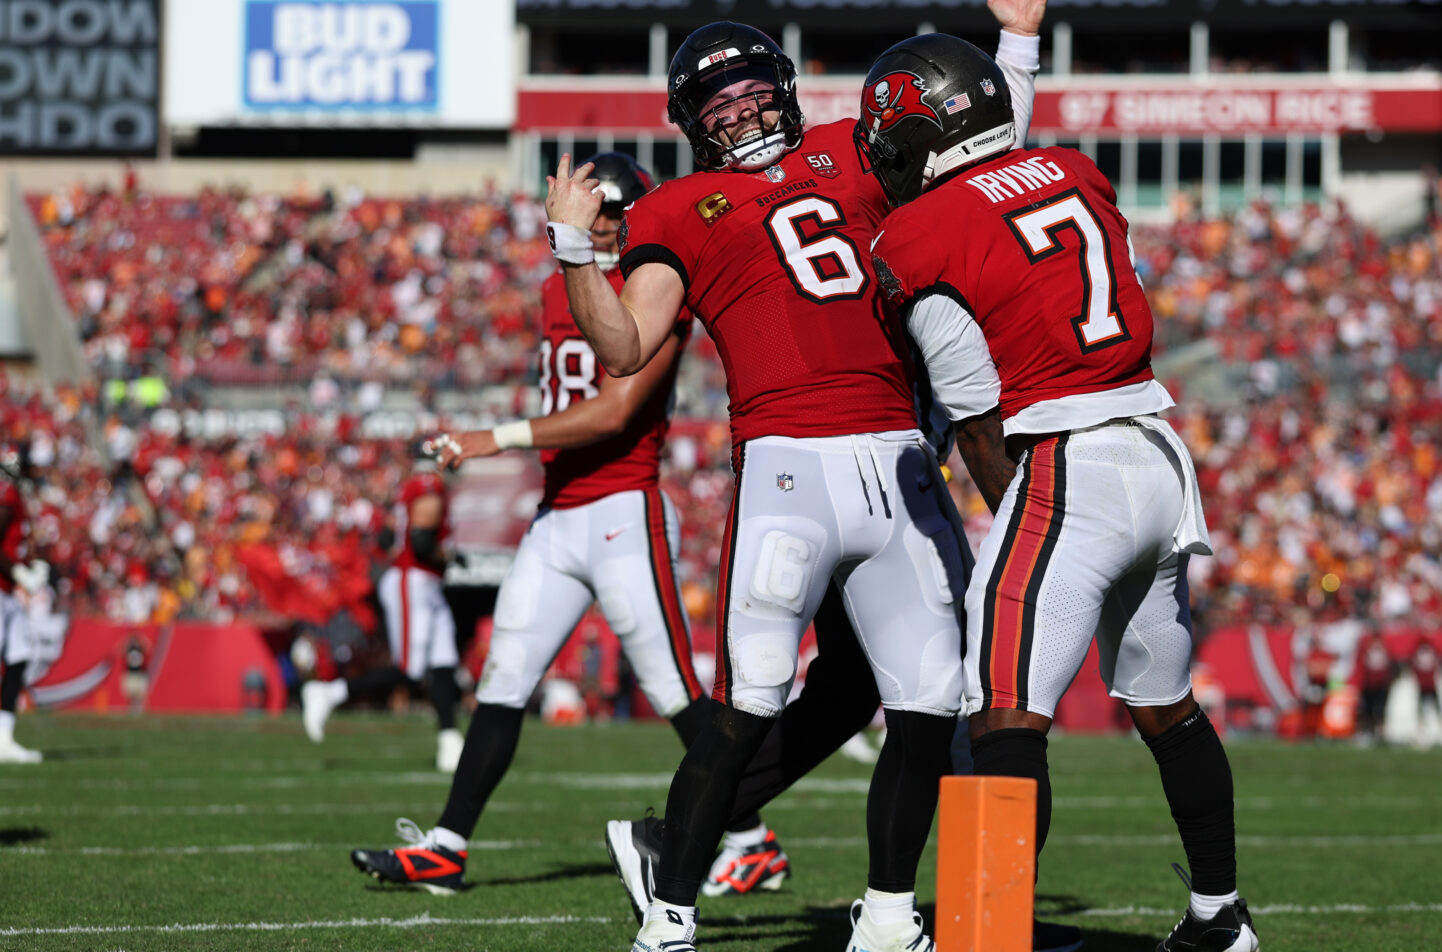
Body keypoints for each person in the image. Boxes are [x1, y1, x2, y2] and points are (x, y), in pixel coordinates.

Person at [548, 6, 1046, 950]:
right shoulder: (672, 212)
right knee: (751, 698)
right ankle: (672, 915)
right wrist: (576, 250)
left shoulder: (854, 149)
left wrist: (1016, 43)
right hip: (789, 467)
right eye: (717, 104)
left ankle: (891, 917)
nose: (738, 114)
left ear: (781, 86)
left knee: (928, 702)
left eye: (748, 93)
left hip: (902, 459)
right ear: (691, 122)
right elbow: (623, 346)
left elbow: (977, 139)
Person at [862, 34, 1256, 952]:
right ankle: (1219, 920)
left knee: (1000, 713)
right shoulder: (1074, 172)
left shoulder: (919, 235)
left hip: (1070, 466)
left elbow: (974, 417)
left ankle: (985, 936)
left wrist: (1031, 534)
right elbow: (1003, 204)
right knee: (1167, 708)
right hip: (1158, 452)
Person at [346, 154, 786, 897]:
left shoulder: (657, 289)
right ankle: (447, 847)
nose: (608, 227)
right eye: (599, 213)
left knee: (673, 687)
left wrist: (497, 438)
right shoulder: (562, 288)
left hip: (623, 508)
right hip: (560, 514)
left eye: (618, 214)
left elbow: (615, 411)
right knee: (504, 678)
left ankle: (751, 840)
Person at [302, 444, 463, 772]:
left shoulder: (410, 486)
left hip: (424, 583)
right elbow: (420, 541)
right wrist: (449, 556)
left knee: (445, 662)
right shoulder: (429, 486)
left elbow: (389, 536)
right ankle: (330, 692)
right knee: (410, 669)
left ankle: (450, 742)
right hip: (414, 581)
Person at [0, 445, 43, 765]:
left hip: (8, 591)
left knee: (18, 659)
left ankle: (4, 738)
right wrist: (17, 570)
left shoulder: (16, 496)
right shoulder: (8, 495)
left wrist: (26, 566)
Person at [1409, 633, 1442, 748]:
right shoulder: (1430, 652)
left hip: (1426, 685)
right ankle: (1436, 733)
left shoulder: (1419, 653)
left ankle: (1435, 733)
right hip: (1429, 685)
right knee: (1433, 710)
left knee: (1428, 710)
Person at [1357, 631, 1393, 744]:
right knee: (1367, 710)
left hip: (1381, 685)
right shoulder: (1366, 651)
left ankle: (1380, 734)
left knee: (1380, 710)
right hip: (1368, 685)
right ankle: (1368, 732)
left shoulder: (1386, 651)